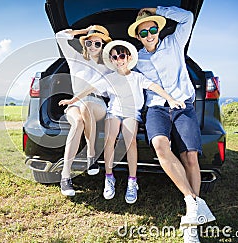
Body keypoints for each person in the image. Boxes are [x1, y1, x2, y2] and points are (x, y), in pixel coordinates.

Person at [59, 40, 186, 204]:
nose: (118, 60)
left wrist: (171, 99)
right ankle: (109, 177)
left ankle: (132, 181)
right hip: (114, 112)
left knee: (130, 141)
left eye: (121, 56)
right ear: (111, 60)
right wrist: (73, 100)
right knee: (109, 140)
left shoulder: (138, 77)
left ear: (128, 57)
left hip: (131, 113)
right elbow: (90, 89)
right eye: (114, 57)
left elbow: (155, 87)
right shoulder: (109, 78)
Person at [127, 6, 215, 241]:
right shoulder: (135, 58)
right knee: (159, 144)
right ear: (137, 36)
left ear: (158, 28)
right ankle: (192, 201)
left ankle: (191, 225)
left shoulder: (175, 42)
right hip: (156, 108)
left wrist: (157, 9)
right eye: (143, 33)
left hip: (183, 106)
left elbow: (187, 17)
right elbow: (118, 70)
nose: (149, 35)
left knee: (191, 157)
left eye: (152, 29)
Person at [55, 25, 113, 196]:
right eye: (90, 43)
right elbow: (59, 35)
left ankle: (90, 152)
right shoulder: (74, 58)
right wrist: (85, 30)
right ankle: (66, 176)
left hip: (98, 105)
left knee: (87, 105)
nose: (93, 47)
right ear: (84, 44)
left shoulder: (108, 65)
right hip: (75, 104)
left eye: (98, 43)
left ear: (103, 46)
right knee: (78, 122)